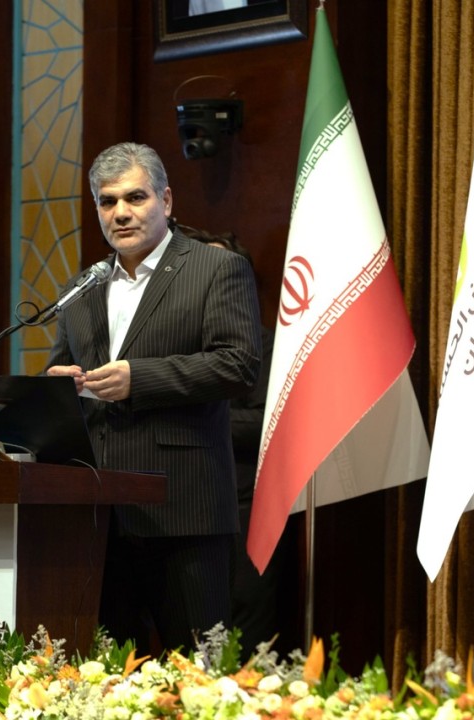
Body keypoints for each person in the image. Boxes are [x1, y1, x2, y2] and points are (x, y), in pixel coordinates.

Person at [45, 142, 262, 654]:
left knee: (200, 672)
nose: (120, 212)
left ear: (166, 200)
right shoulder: (82, 288)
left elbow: (238, 366)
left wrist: (138, 379)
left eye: (135, 197)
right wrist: (56, 385)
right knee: (102, 676)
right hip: (97, 517)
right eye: (107, 201)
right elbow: (62, 377)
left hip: (183, 509)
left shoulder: (215, 269)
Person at [179, 224, 290, 657]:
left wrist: (191, 418)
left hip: (246, 511)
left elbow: (269, 424)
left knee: (246, 637)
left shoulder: (265, 345)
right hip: (180, 509)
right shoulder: (173, 346)